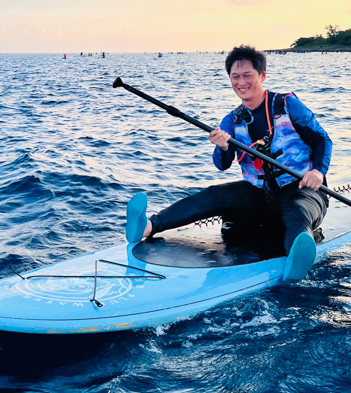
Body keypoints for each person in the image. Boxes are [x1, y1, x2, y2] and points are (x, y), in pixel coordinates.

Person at [126, 44, 332, 281]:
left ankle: (296, 255)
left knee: (297, 212)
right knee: (213, 195)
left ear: (262, 76)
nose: (241, 82)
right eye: (235, 77)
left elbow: (322, 140)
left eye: (247, 75)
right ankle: (147, 226)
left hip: (302, 190)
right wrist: (223, 147)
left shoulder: (287, 104)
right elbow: (221, 164)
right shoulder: (231, 120)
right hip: (259, 195)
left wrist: (317, 171)